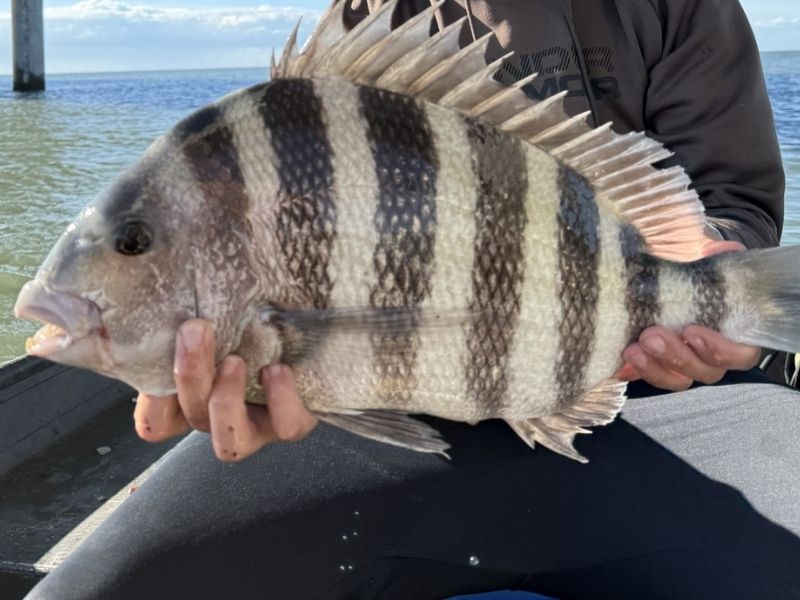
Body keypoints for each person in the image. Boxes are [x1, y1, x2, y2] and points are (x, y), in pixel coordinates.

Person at [26, 1, 799, 599]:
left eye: (134, 245)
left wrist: (705, 270)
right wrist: (277, 386)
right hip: (411, 415)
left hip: (665, 394)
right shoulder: (371, 17)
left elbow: (731, 199)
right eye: (135, 245)